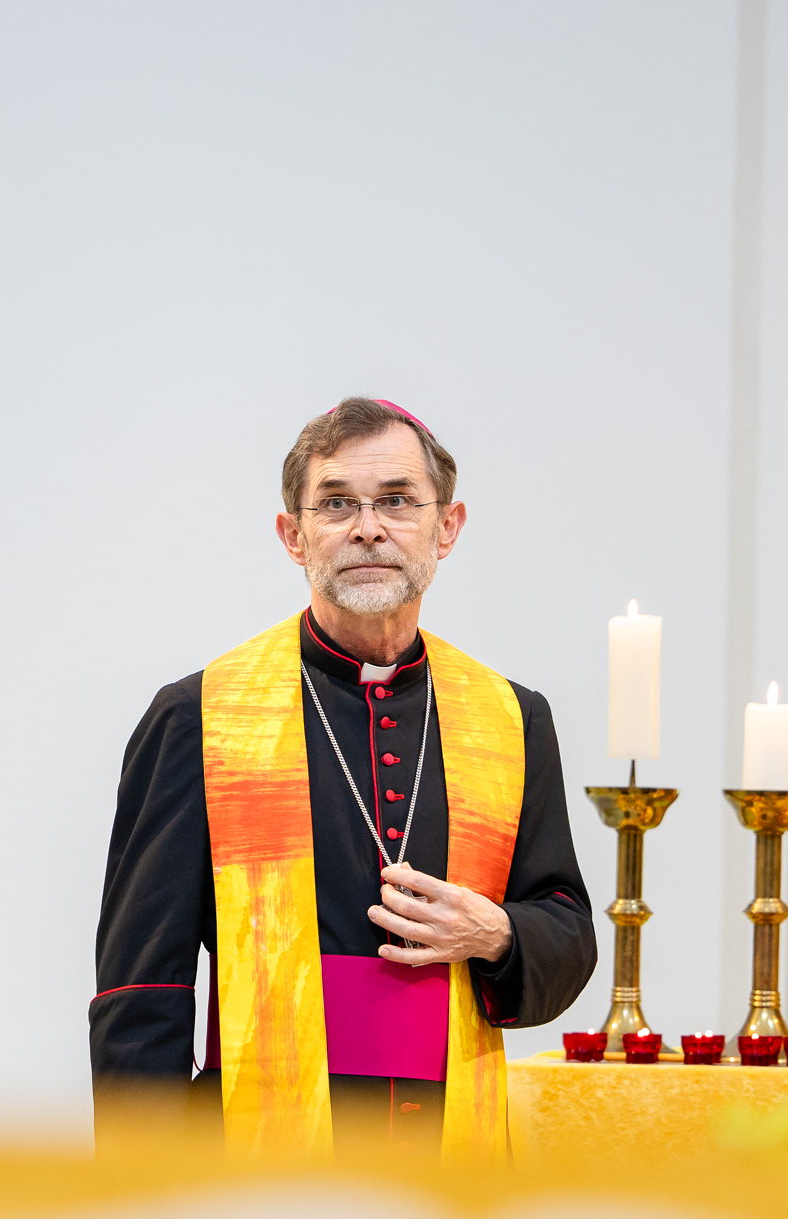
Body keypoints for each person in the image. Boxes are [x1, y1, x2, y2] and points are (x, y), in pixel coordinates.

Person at [91, 399, 596, 1157]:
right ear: (293, 535)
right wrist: (148, 1190)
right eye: (335, 504)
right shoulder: (199, 717)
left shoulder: (512, 717)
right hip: (251, 1160)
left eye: (397, 500)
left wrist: (497, 934)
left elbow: (567, 928)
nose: (368, 528)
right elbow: (141, 990)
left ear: (447, 526)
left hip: (450, 1156)